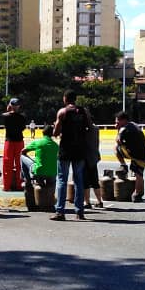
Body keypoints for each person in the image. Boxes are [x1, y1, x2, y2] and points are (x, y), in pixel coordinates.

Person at [51, 90, 90, 220]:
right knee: (79, 180)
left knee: (62, 179)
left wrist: (57, 128)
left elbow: (55, 133)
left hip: (66, 149)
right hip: (79, 149)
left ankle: (60, 211)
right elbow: (89, 128)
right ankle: (79, 212)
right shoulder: (83, 112)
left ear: (65, 99)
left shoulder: (62, 112)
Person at [114, 110, 145, 202]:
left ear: (123, 121)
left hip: (137, 154)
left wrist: (118, 130)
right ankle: (138, 193)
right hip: (141, 153)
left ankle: (137, 194)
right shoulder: (133, 124)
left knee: (116, 148)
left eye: (117, 122)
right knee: (138, 173)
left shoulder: (124, 129)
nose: (115, 124)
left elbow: (118, 140)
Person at [0, 98, 26, 192]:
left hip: (9, 141)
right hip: (19, 141)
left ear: (10, 105)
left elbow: (4, 119)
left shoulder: (5, 116)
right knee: (19, 164)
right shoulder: (22, 117)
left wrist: (8, 109)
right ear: (19, 106)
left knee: (7, 164)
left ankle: (7, 186)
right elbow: (23, 128)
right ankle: (19, 184)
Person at [82, 116, 104, 209]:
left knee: (85, 181)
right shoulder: (96, 128)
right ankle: (100, 201)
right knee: (95, 180)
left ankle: (87, 202)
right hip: (94, 157)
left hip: (85, 157)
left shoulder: (84, 130)